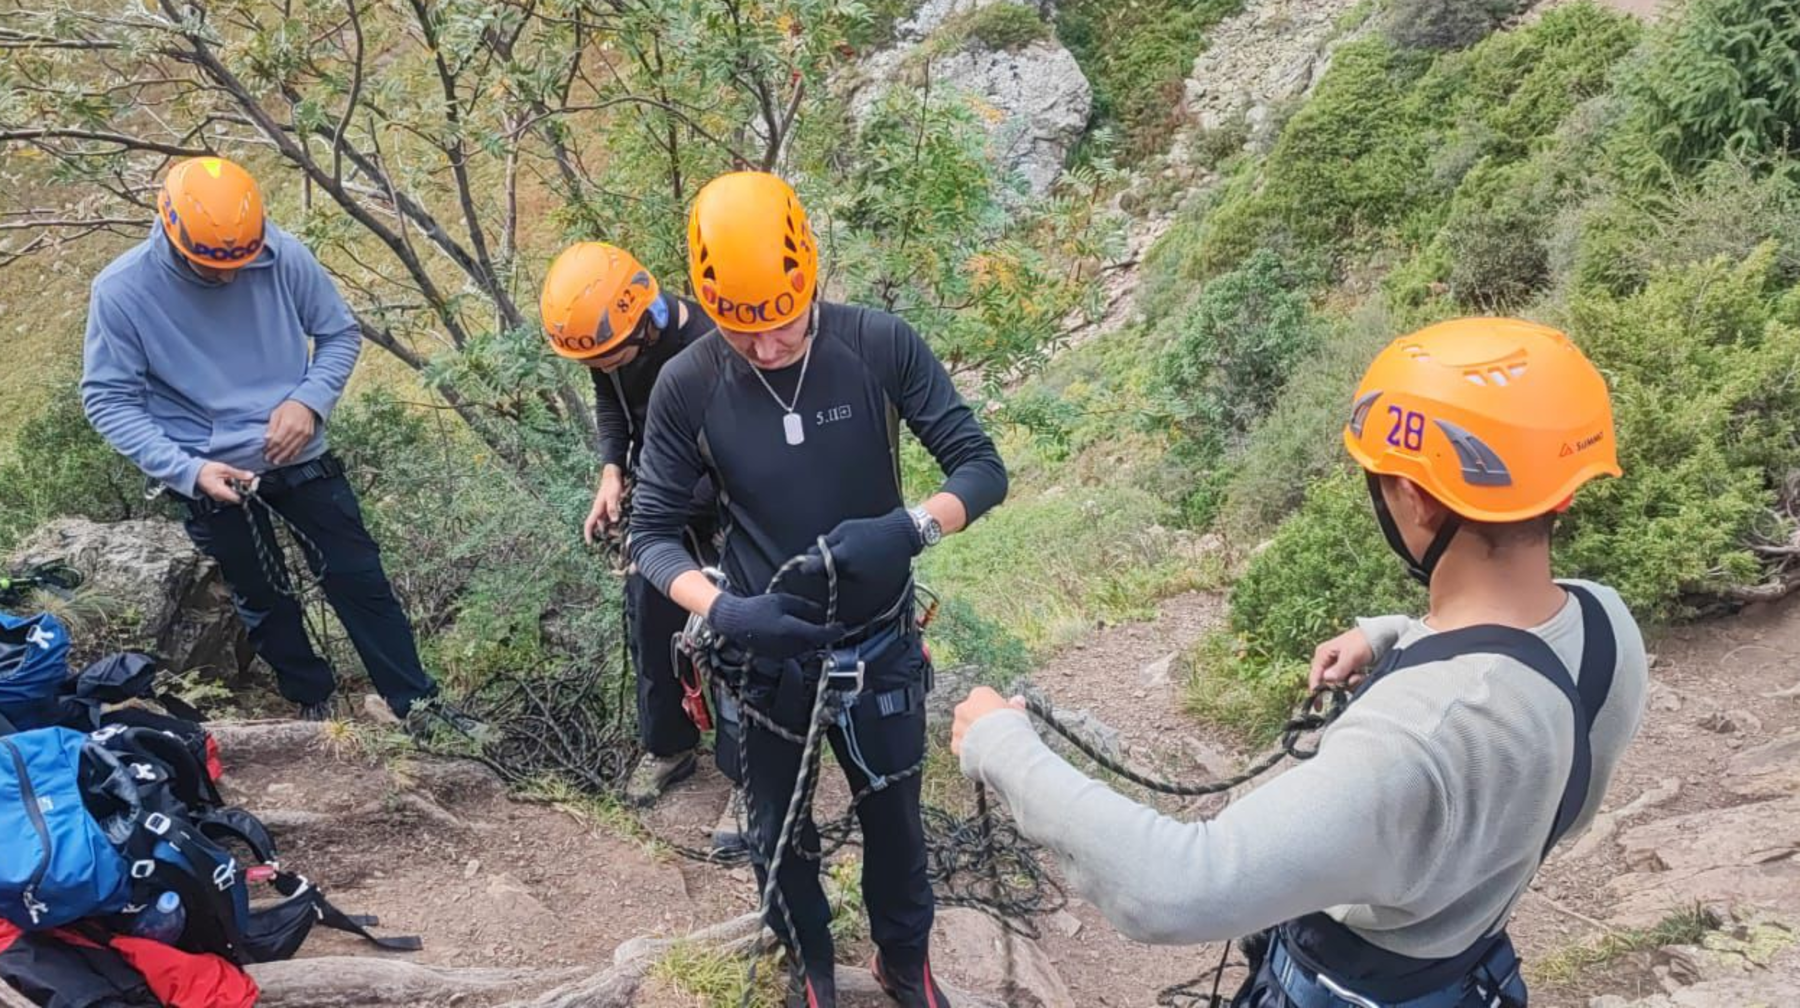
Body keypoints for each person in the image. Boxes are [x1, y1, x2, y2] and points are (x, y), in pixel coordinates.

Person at [952, 318, 1649, 1007]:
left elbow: (1174, 888)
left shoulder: (1412, 741)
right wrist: (1393, 637)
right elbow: (1512, 667)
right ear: (1560, 486)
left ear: (1415, 498)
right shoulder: (1605, 624)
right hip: (1468, 967)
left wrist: (1001, 745)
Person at [631, 171, 1008, 1007]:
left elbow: (981, 468)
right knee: (776, 832)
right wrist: (725, 609)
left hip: (878, 641)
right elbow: (651, 535)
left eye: (783, 326)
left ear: (813, 282)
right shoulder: (689, 384)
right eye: (741, 332)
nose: (765, 349)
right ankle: (812, 967)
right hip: (764, 655)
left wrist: (911, 528)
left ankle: (904, 964)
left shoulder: (876, 346)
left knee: (896, 828)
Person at [81, 155, 483, 741]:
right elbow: (108, 399)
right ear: (171, 231)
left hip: (300, 451)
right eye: (210, 265)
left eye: (238, 262)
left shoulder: (278, 252)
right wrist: (188, 470)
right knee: (263, 597)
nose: (227, 276)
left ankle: (417, 706)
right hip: (207, 467)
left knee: (358, 577)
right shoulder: (123, 292)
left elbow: (339, 333)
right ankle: (314, 702)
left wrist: (308, 401)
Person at [537, 241, 745, 852]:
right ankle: (670, 747)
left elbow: (740, 452)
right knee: (649, 624)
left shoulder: (714, 347)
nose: (603, 365)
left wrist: (667, 500)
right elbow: (614, 400)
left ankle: (751, 776)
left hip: (728, 509)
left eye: (611, 354)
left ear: (649, 323)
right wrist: (612, 471)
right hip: (658, 507)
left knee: (736, 640)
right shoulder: (611, 344)